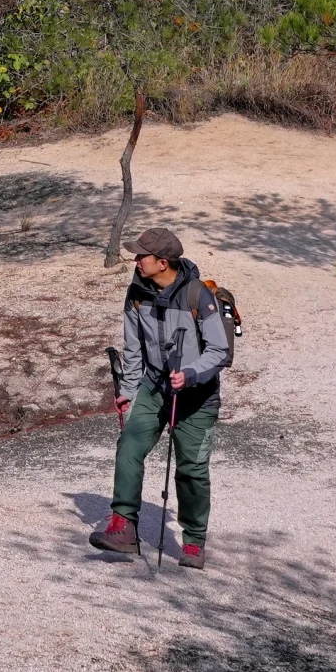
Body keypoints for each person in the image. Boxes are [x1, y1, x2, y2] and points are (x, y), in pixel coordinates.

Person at [89, 227, 229, 569]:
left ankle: (194, 542)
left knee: (191, 470)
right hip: (154, 386)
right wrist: (128, 390)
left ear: (162, 263)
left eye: (141, 256)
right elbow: (133, 346)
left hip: (196, 394)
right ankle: (123, 526)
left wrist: (192, 373)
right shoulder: (137, 292)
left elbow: (220, 350)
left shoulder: (198, 295)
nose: (136, 261)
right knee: (130, 446)